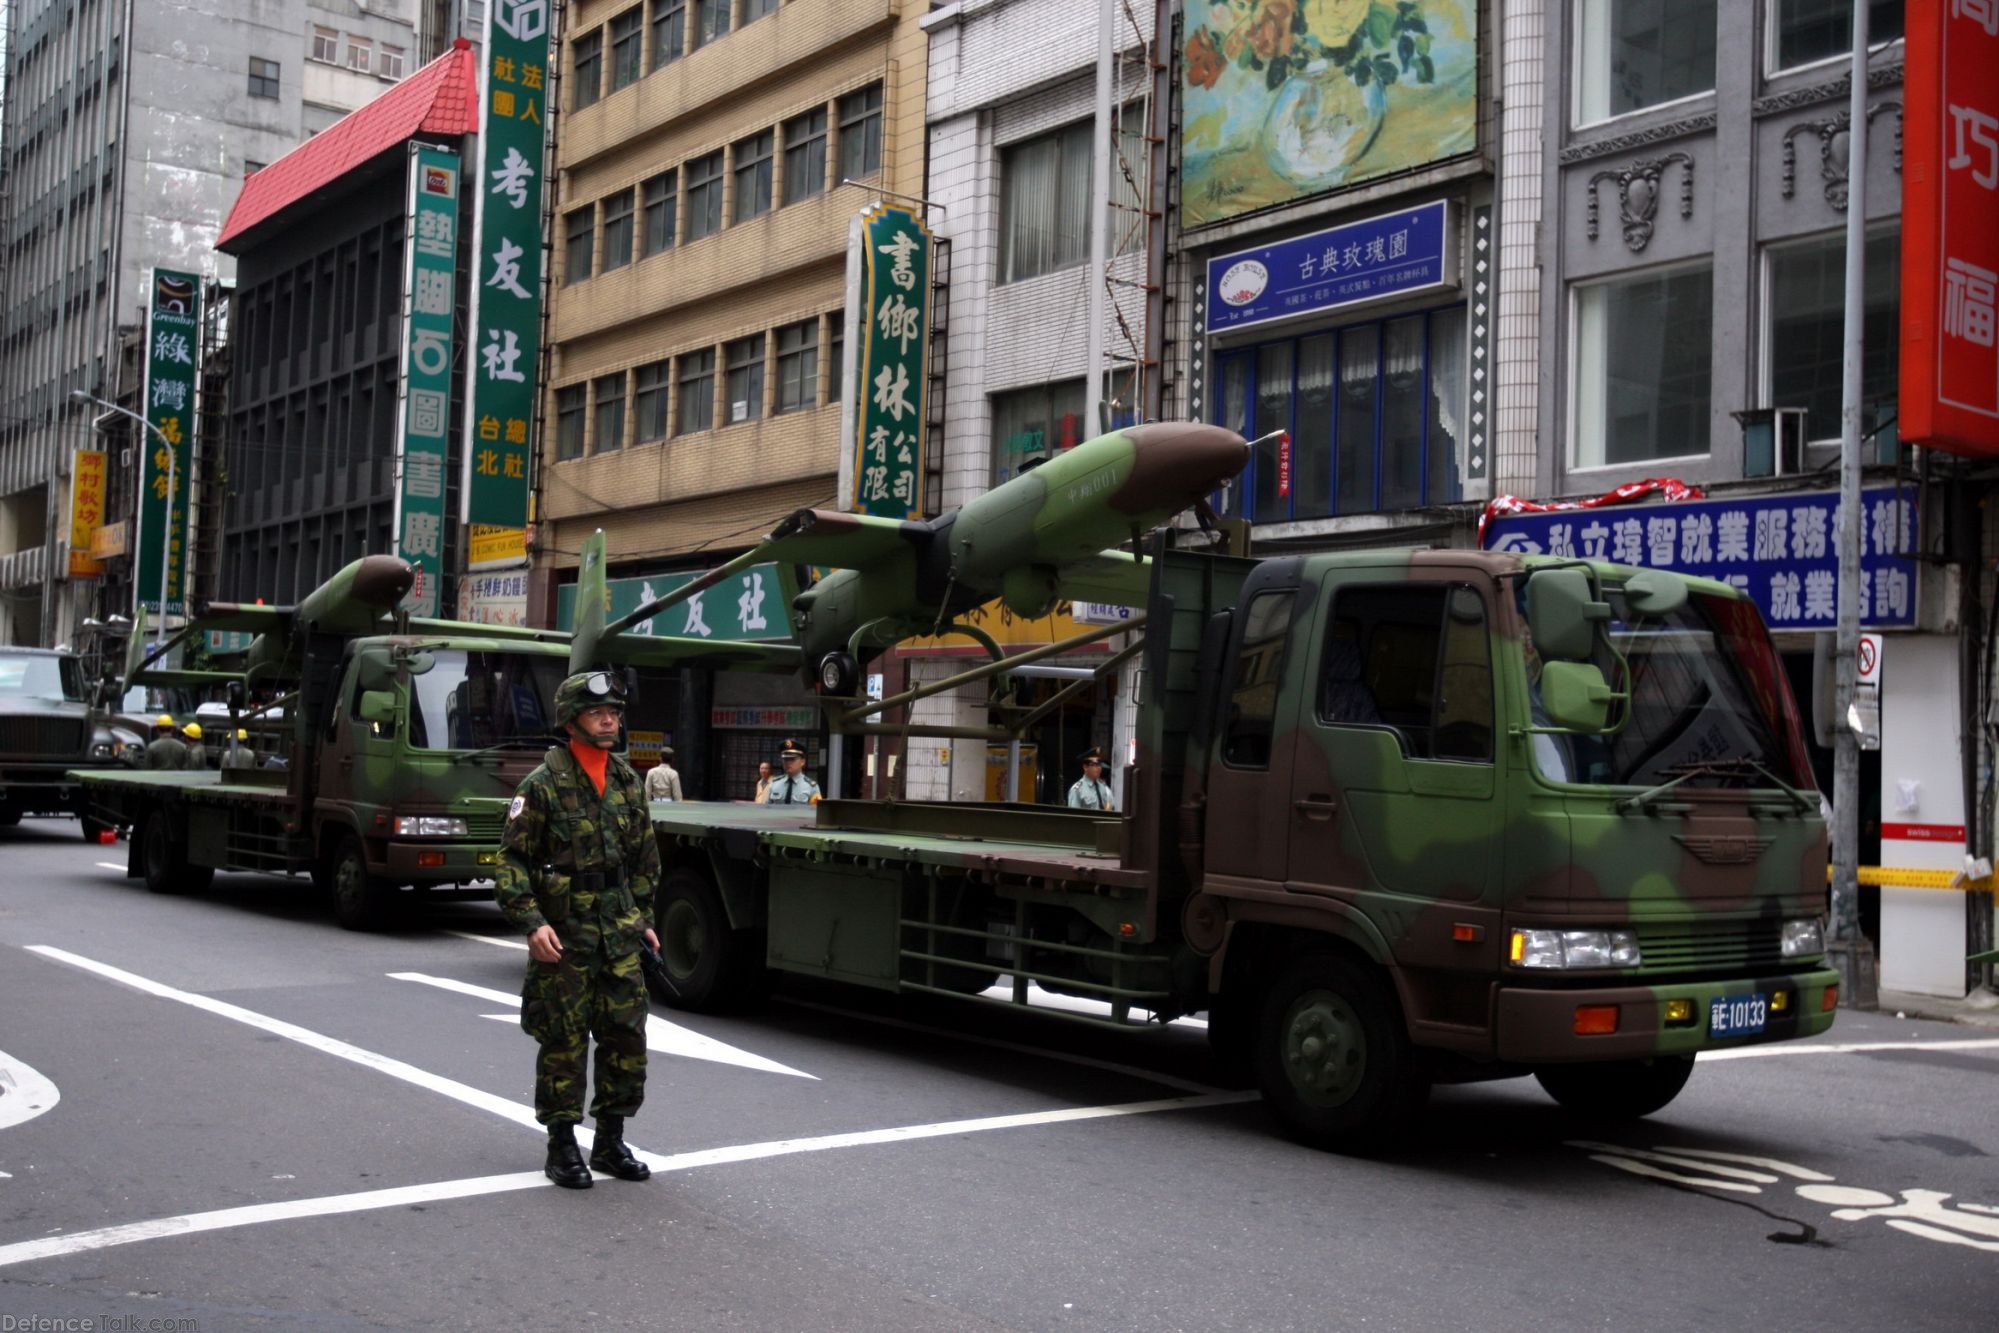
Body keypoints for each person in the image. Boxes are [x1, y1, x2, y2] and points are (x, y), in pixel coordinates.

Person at [494, 670, 662, 1190]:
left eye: (614, 711)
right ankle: (562, 1144)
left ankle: (610, 1141)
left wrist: (644, 918)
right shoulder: (540, 786)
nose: (609, 718)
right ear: (571, 722)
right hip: (565, 935)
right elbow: (510, 861)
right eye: (597, 712)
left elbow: (644, 858)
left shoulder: (628, 781)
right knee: (564, 1041)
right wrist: (532, 923)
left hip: (619, 930)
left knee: (626, 1038)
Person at [763, 739, 820, 805]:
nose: (788, 763)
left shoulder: (811, 787)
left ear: (802, 762)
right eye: (785, 759)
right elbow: (767, 810)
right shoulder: (774, 784)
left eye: (792, 759)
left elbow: (816, 812)